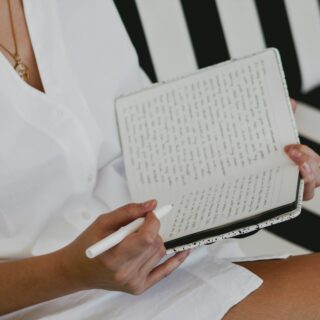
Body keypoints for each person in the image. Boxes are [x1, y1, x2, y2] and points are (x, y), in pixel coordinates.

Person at [0, 1, 320, 319]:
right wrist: (68, 272)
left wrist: (252, 182)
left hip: (174, 257)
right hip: (48, 300)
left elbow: (136, 138)